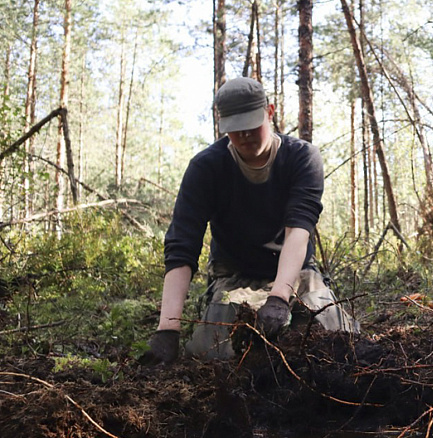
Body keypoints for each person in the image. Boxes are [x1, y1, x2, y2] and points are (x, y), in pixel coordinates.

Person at [141, 77, 358, 365]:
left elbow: (298, 230)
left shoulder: (302, 158)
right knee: (216, 353)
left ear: (269, 111)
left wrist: (280, 297)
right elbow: (182, 247)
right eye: (234, 128)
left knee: (338, 338)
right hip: (235, 275)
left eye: (251, 124)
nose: (244, 135)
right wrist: (168, 328)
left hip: (297, 273)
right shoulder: (206, 168)